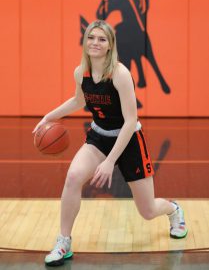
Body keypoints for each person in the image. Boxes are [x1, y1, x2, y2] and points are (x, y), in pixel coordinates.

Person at [33, 20, 188, 266]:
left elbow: (130, 121)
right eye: (91, 38)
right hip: (99, 136)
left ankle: (173, 209)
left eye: (102, 39)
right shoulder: (80, 71)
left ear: (109, 46)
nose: (95, 42)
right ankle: (64, 242)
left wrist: (110, 162)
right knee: (73, 177)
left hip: (129, 139)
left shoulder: (120, 73)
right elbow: (78, 101)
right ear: (85, 42)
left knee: (147, 211)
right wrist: (48, 117)